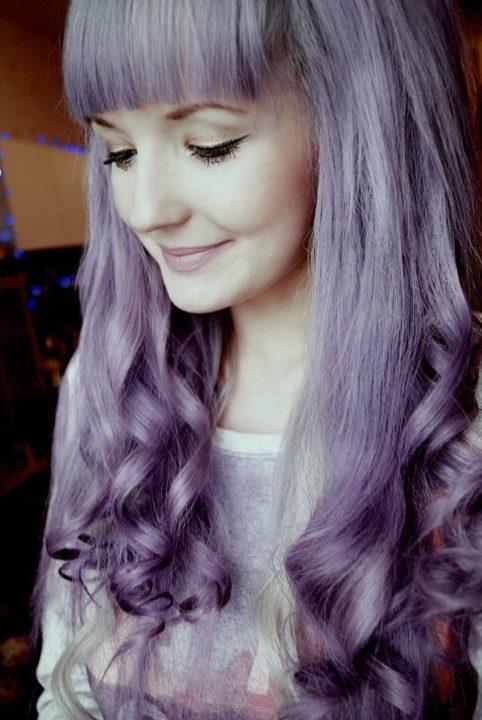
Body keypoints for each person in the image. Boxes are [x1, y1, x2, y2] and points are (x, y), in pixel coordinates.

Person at [30, 1, 482, 718]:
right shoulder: (108, 384)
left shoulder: (465, 417)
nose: (144, 209)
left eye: (209, 145)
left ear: (355, 121)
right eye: (118, 152)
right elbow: (68, 688)